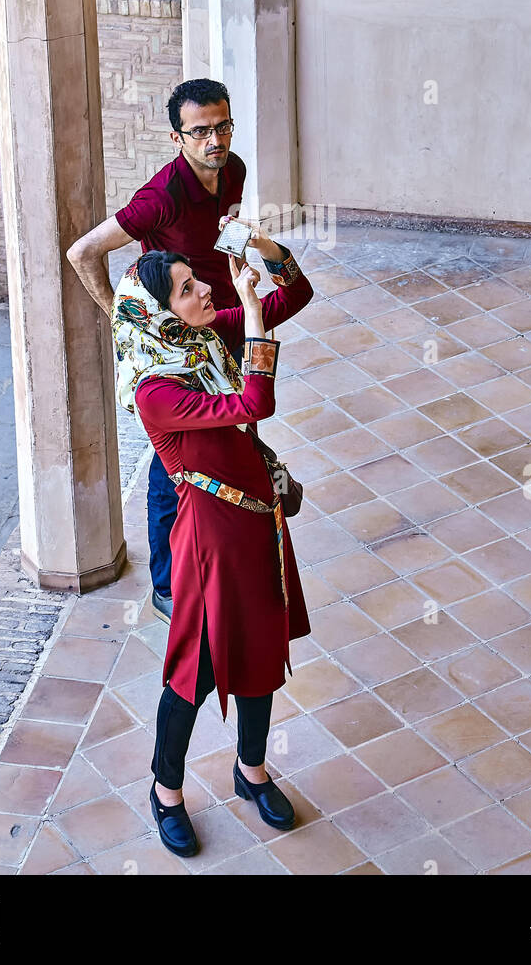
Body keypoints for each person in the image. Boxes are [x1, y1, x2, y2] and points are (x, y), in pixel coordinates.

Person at [109, 231, 313, 856]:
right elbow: (257, 401)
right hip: (206, 536)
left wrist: (267, 251)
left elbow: (297, 293)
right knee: (193, 672)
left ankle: (251, 771)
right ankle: (165, 791)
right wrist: (248, 313)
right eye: (188, 290)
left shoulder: (198, 337)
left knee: (259, 647)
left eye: (197, 281)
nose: (203, 292)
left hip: (256, 518)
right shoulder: (156, 390)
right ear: (156, 313)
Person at [66, 78, 246, 625]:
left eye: (222, 127)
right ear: (178, 138)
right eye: (201, 132)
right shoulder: (160, 198)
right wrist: (127, 327)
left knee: (229, 436)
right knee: (172, 466)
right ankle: (167, 584)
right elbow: (84, 252)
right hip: (174, 349)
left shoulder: (231, 168)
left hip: (220, 323)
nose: (215, 140)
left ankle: (223, 548)